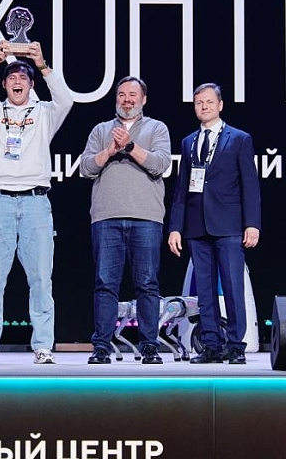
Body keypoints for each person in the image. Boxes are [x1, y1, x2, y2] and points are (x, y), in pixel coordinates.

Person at [0, 39, 73, 365]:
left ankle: (43, 346)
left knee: (41, 280)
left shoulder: (44, 113)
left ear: (31, 85)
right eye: (11, 78)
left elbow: (66, 99)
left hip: (36, 203)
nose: (17, 82)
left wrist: (42, 65)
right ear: (4, 85)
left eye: (23, 78)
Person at [79, 76, 172, 365]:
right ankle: (102, 346)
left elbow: (160, 164)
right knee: (105, 284)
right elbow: (85, 168)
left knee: (147, 284)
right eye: (122, 94)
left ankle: (149, 346)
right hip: (107, 216)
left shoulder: (157, 128)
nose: (127, 100)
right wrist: (110, 150)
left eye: (133, 95)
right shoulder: (101, 130)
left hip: (146, 217)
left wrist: (130, 146)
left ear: (143, 99)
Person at [167, 83, 262, 365]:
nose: (204, 106)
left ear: (220, 105)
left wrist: (252, 223)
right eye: (199, 102)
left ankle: (236, 345)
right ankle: (211, 345)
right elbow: (182, 189)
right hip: (196, 227)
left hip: (229, 225)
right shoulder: (188, 142)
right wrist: (175, 227)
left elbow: (250, 185)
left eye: (209, 102)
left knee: (232, 288)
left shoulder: (239, 139)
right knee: (204, 292)